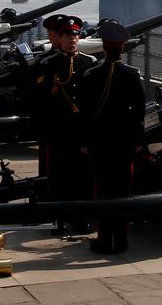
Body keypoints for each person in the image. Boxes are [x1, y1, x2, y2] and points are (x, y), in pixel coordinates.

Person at [77, 20, 146, 253]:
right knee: (123, 191)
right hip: (124, 142)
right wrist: (137, 142)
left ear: (104, 47)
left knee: (102, 190)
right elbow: (139, 112)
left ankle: (104, 239)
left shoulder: (90, 75)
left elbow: (84, 113)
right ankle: (122, 239)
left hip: (98, 142)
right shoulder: (132, 75)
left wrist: (84, 141)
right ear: (122, 48)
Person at [31, 14, 96, 234]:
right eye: (67, 35)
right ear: (59, 37)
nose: (72, 39)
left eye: (75, 35)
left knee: (82, 176)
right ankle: (59, 218)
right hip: (58, 129)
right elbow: (40, 101)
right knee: (58, 176)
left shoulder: (89, 63)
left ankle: (82, 218)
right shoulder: (48, 64)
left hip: (80, 129)